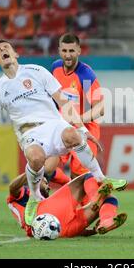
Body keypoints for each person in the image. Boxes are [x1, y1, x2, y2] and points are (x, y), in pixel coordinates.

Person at [0, 40, 127, 218]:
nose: (2, 50)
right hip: (29, 132)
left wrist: (83, 130)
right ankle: (35, 197)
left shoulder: (37, 71)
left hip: (53, 124)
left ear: (15, 54)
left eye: (6, 47)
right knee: (36, 158)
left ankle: (102, 179)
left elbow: (64, 101)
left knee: (73, 135)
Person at [50, 33, 105, 181]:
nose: (68, 55)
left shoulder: (85, 74)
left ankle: (91, 200)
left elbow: (100, 109)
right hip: (63, 127)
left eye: (72, 51)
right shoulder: (55, 68)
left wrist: (77, 119)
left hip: (85, 129)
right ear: (59, 50)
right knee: (47, 167)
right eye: (65, 51)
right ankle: (57, 190)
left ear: (79, 51)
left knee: (79, 176)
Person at [7, 172, 127, 238]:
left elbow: (68, 229)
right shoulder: (25, 194)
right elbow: (13, 187)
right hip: (42, 216)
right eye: (45, 181)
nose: (48, 186)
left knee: (109, 199)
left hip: (60, 231)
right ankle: (95, 199)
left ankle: (106, 221)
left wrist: (92, 231)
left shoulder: (36, 200)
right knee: (88, 176)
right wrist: (32, 172)